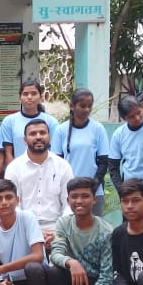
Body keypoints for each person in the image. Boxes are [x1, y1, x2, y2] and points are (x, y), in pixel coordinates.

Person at [45, 177, 115, 285]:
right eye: (74, 196)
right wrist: (72, 262)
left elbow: (107, 278)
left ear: (94, 199)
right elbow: (56, 253)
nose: (79, 201)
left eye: (85, 196)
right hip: (75, 278)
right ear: (68, 200)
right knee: (53, 273)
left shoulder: (106, 232)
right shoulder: (64, 223)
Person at [2, 118, 74, 245]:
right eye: (33, 134)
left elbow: (68, 203)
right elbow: (13, 205)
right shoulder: (14, 168)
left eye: (42, 133)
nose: (38, 137)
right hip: (23, 228)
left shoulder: (63, 166)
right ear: (25, 140)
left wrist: (58, 231)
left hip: (57, 228)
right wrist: (34, 231)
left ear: (49, 137)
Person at [51, 89, 111, 217]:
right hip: (68, 192)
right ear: (72, 106)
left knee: (94, 231)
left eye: (89, 106)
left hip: (93, 191)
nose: (87, 110)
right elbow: (56, 163)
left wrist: (93, 186)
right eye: (82, 106)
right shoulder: (61, 130)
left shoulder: (98, 129)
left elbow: (104, 162)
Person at [1, 79, 60, 164]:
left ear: (40, 97)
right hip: (19, 172)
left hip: (45, 170)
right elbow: (8, 153)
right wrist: (14, 172)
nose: (29, 97)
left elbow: (54, 151)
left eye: (34, 93)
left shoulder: (51, 122)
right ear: (19, 98)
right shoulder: (9, 121)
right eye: (25, 94)